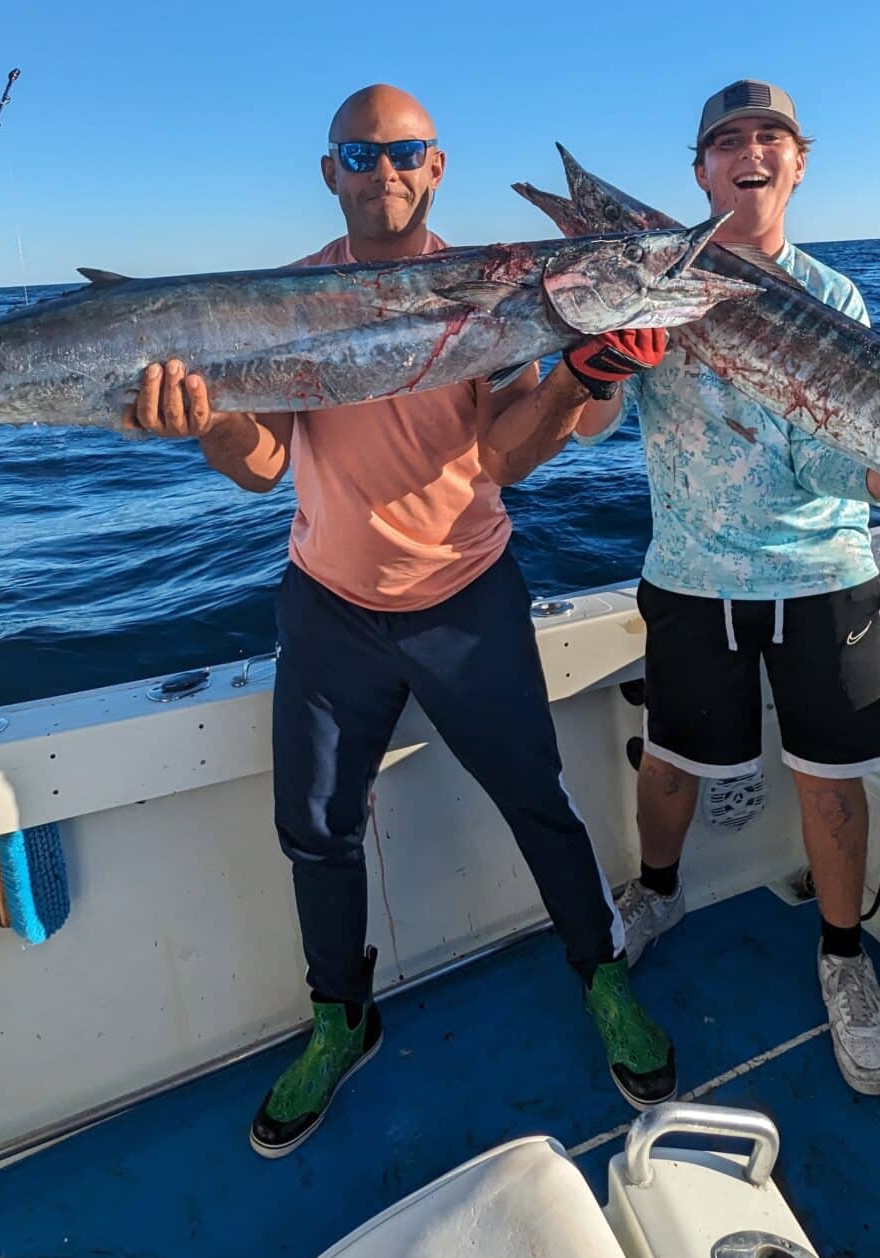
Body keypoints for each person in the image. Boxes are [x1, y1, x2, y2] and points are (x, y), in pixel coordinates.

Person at [128, 82, 680, 1155]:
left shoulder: (499, 289)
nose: (383, 170)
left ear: (437, 166)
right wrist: (208, 422)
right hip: (329, 606)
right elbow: (266, 465)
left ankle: (603, 976)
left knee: (539, 802)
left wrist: (579, 376)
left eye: (405, 152)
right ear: (330, 170)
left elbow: (504, 456)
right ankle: (341, 1016)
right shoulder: (280, 301)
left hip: (466, 597)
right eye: (360, 152)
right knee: (316, 828)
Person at [575, 80, 880, 1097]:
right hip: (690, 572)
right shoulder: (651, 279)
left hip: (822, 574)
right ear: (700, 171)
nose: (749, 152)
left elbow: (826, 454)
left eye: (770, 138)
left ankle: (843, 956)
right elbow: (586, 429)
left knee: (828, 781)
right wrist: (595, 367)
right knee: (669, 760)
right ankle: (656, 895)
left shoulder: (833, 296)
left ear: (798, 162)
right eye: (727, 141)